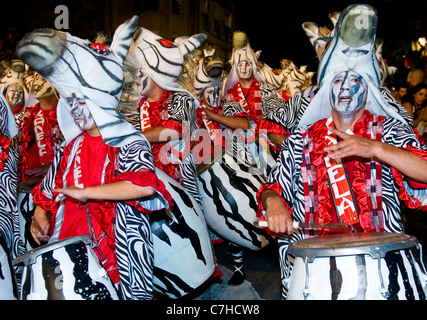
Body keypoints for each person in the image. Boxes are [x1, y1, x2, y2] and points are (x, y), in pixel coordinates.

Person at [256, 3, 427, 299]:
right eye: (338, 79)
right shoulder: (302, 138)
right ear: (326, 89)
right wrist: (273, 203)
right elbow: (273, 188)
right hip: (312, 270)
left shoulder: (388, 131)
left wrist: (374, 148)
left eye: (355, 79)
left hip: (380, 268)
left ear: (369, 87)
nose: (346, 86)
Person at [18, 15, 172, 300]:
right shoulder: (70, 146)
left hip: (122, 249)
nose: (75, 110)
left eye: (81, 101)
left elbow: (143, 186)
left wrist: (86, 193)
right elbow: (49, 192)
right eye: (70, 102)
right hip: (74, 249)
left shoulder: (129, 139)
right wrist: (40, 214)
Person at [124, 27, 207, 207]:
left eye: (139, 71)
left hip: (185, 187)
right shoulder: (135, 107)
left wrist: (133, 137)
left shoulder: (182, 98)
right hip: (148, 185)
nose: (134, 78)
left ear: (155, 72)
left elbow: (173, 130)